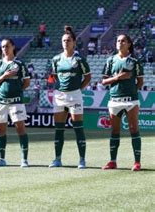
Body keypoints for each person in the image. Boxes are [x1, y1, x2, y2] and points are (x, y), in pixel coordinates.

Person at [49, 26, 91, 169]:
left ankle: (82, 160)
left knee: (78, 128)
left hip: (75, 96)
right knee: (59, 129)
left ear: (74, 42)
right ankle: (57, 159)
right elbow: (54, 76)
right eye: (63, 40)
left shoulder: (79, 59)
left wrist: (78, 89)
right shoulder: (56, 59)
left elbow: (88, 77)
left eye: (68, 40)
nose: (65, 43)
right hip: (59, 96)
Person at [101, 34, 144, 171]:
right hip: (114, 100)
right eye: (118, 41)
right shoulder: (110, 61)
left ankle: (137, 162)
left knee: (133, 129)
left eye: (123, 41)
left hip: (131, 100)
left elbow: (140, 82)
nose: (120, 43)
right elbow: (104, 81)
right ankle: (113, 161)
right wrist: (118, 77)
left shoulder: (134, 61)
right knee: (114, 131)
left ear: (129, 44)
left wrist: (130, 91)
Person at [0, 38, 31, 168]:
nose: (5, 49)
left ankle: (24, 159)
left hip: (16, 101)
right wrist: (4, 76)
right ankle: (1, 159)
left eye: (7, 46)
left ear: (13, 47)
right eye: (2, 47)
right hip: (1, 101)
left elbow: (26, 82)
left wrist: (17, 91)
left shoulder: (19, 64)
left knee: (20, 128)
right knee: (0, 129)